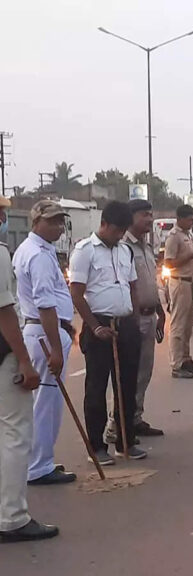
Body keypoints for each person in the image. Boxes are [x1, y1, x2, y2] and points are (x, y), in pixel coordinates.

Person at [69, 201, 146, 466]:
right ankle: (96, 446)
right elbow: (76, 294)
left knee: (127, 385)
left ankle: (126, 441)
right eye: (116, 230)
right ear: (103, 224)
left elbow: (132, 287)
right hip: (99, 325)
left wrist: (134, 320)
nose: (119, 235)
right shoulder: (84, 251)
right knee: (96, 387)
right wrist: (94, 326)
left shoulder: (125, 250)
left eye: (123, 230)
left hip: (125, 324)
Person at [0, 196, 58, 543]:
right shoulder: (2, 252)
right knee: (15, 434)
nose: (3, 220)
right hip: (4, 353)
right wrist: (23, 359)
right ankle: (12, 517)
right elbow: (5, 311)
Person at [12, 201, 76, 485]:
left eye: (61, 221)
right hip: (44, 334)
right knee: (46, 405)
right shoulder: (37, 255)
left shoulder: (36, 250)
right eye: (52, 221)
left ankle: (40, 460)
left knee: (44, 403)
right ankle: (39, 466)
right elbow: (45, 304)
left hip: (44, 331)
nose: (58, 227)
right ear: (36, 222)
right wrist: (56, 349)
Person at [106, 200, 165, 441]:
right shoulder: (122, 247)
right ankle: (116, 425)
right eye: (144, 215)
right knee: (126, 375)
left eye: (151, 214)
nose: (149, 219)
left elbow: (151, 282)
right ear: (130, 217)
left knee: (143, 372)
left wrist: (161, 311)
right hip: (132, 318)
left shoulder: (146, 247)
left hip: (150, 315)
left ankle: (134, 418)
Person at [164, 204, 193, 379]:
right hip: (180, 281)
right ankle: (176, 363)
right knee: (178, 325)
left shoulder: (188, 235)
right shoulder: (174, 237)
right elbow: (169, 263)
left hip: (191, 282)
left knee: (188, 325)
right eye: (189, 219)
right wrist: (191, 255)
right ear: (179, 219)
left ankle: (186, 358)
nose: (191, 222)